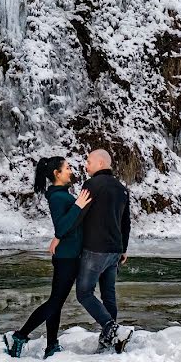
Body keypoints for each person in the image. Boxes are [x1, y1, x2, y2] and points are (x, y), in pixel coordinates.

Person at [4, 156, 92, 359]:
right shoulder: (57, 197)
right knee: (54, 302)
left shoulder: (61, 194)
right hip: (67, 258)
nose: (71, 170)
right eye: (67, 168)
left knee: (57, 302)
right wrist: (78, 205)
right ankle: (19, 336)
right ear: (57, 174)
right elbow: (62, 227)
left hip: (69, 255)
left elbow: (67, 227)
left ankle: (51, 345)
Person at [69, 149, 131, 351]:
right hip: (114, 250)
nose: (86, 165)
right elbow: (126, 223)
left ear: (102, 162)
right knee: (108, 295)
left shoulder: (92, 185)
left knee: (84, 292)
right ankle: (110, 341)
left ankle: (110, 326)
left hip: (95, 249)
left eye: (88, 161)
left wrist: (63, 237)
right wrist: (123, 248)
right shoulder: (122, 189)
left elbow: (79, 214)